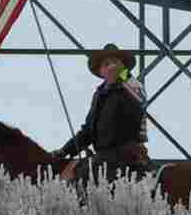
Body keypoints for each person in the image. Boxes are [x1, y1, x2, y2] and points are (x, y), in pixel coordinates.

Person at [50, 43, 151, 186]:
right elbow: (87, 132)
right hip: (103, 156)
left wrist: (123, 75)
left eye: (115, 62)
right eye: (106, 63)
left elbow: (138, 98)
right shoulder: (98, 95)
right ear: (100, 71)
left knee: (86, 176)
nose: (111, 66)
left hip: (126, 154)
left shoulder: (132, 85)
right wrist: (64, 151)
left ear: (123, 67)